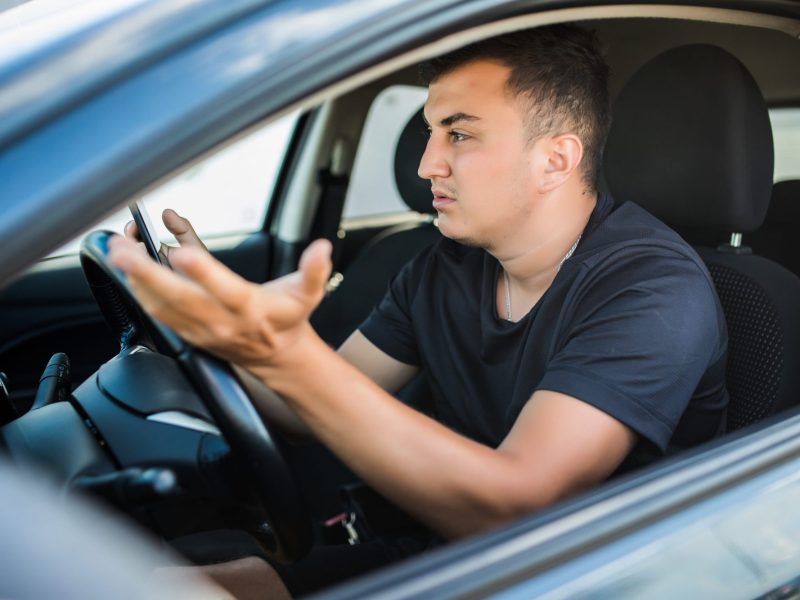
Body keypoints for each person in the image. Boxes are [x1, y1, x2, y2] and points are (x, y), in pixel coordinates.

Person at [110, 25, 729, 599]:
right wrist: (210, 321)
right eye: (431, 132)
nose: (426, 163)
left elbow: (515, 509)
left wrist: (285, 353)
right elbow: (302, 415)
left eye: (458, 134)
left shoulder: (654, 291)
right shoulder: (444, 268)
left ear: (555, 160)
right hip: (452, 555)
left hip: (584, 577)